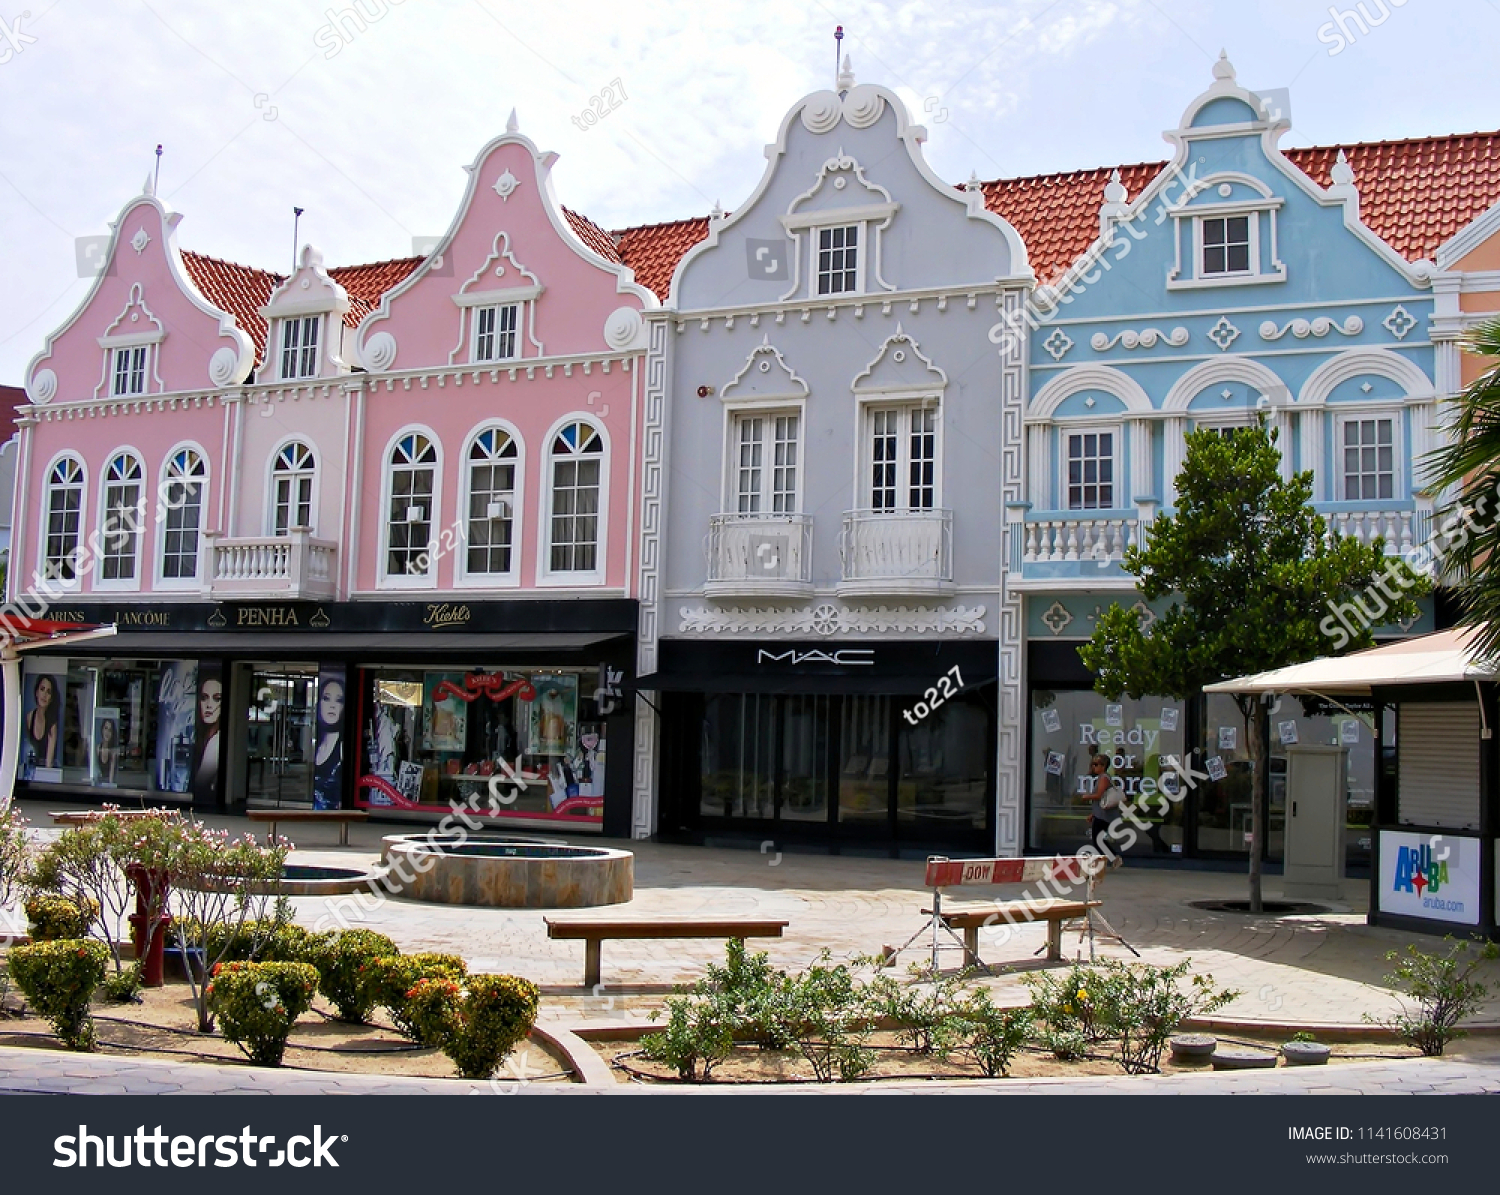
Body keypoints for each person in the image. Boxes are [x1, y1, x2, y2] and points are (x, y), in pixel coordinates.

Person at [1084, 752, 1124, 867]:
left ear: (1103, 766)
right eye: (1093, 764)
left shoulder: (1104, 778)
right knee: (1098, 839)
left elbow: (1099, 795)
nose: (1093, 767)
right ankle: (1113, 858)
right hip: (1101, 814)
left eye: (1096, 764)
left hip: (1103, 815)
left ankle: (1109, 859)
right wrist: (1093, 814)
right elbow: (1100, 800)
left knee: (1097, 840)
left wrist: (1086, 797)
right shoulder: (1102, 778)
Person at [313, 678, 345, 809]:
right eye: (326, 698)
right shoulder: (315, 743)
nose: (332, 705)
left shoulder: (342, 747)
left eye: (338, 700)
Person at [191, 678, 222, 791]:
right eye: (204, 698)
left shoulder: (216, 741)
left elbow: (201, 782)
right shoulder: (202, 737)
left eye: (217, 699)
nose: (209, 705)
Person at [25, 674, 59, 769]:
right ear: (36, 692)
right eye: (42, 689)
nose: (44, 695)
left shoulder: (52, 724)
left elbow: (49, 763)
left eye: (48, 692)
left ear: (51, 699)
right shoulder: (29, 717)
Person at [96, 718, 119, 785]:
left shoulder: (113, 752)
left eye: (110, 730)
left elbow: (111, 779)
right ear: (102, 729)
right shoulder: (97, 748)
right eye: (106, 728)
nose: (107, 733)